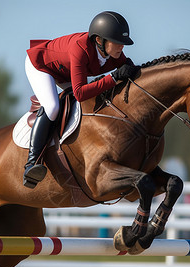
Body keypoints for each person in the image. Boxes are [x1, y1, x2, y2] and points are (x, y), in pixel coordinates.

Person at [23, 11, 140, 188]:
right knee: (53, 107)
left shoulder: (113, 54)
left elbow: (126, 70)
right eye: (117, 42)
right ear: (100, 40)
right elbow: (79, 93)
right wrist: (114, 77)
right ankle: (31, 164)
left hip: (65, 71)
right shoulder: (80, 49)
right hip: (41, 66)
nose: (121, 47)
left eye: (123, 43)